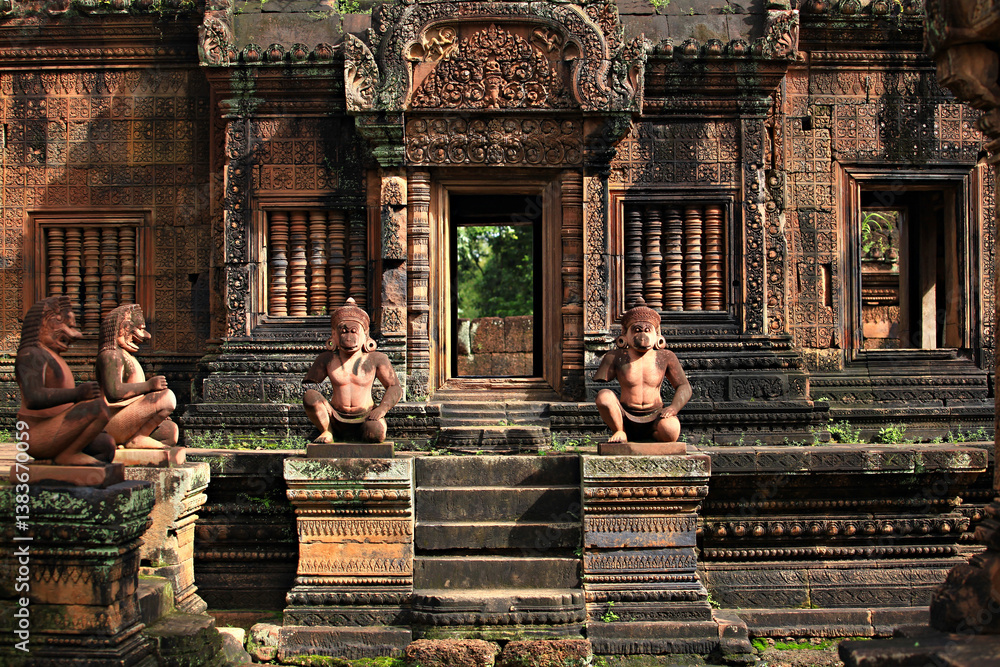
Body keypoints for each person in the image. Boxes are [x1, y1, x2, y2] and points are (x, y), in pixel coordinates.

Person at [15, 296, 115, 465]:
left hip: (59, 427)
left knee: (105, 447)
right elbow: (33, 398)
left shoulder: (52, 356)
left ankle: (70, 455)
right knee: (98, 407)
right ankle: (68, 454)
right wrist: (77, 394)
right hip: (37, 433)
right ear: (44, 323)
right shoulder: (30, 354)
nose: (75, 335)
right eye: (66, 326)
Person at [302, 298, 402, 443]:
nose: (349, 337)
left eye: (354, 331)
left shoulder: (376, 359)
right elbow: (310, 386)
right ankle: (327, 431)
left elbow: (394, 387)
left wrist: (382, 409)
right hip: (334, 417)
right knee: (310, 396)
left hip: (367, 416)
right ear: (334, 335)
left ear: (365, 335)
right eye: (343, 332)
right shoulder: (327, 359)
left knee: (376, 434)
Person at [594, 297, 692, 443]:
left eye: (647, 330)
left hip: (656, 414)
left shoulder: (665, 356)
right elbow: (602, 382)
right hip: (624, 415)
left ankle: (651, 436)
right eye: (637, 330)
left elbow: (684, 386)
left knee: (671, 431)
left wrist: (674, 407)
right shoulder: (616, 356)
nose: (642, 335)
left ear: (657, 335)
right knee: (604, 396)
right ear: (625, 336)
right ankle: (620, 431)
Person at [96, 304, 178, 449]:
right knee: (167, 397)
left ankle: (132, 440)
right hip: (110, 421)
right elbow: (114, 392)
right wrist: (149, 386)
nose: (147, 336)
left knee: (170, 432)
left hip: (125, 419)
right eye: (140, 329)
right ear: (124, 328)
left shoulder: (125, 356)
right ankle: (136, 440)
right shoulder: (111, 355)